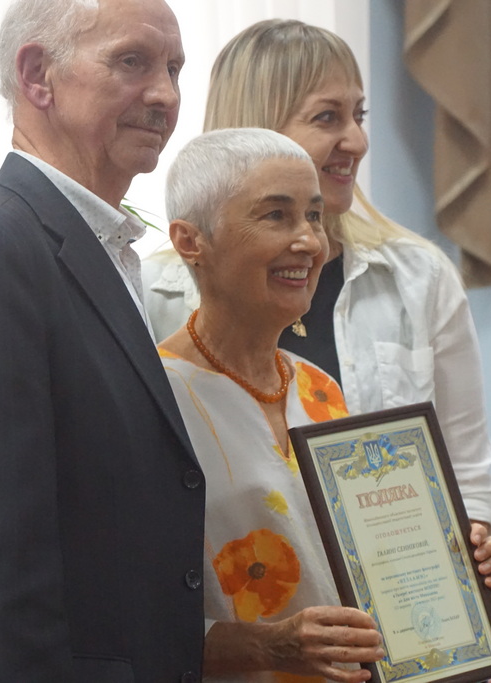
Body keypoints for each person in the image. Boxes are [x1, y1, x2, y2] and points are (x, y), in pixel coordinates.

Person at [0, 1, 206, 681]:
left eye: (174, 69)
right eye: (133, 62)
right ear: (37, 76)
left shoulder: (104, 251)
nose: (166, 95)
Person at [143, 18, 491, 590]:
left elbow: (465, 471)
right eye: (327, 118)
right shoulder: (152, 294)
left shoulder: (420, 278)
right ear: (258, 129)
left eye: (359, 116)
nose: (356, 141)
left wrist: (474, 539)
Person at [158, 127, 385, 682]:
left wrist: (452, 556)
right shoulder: (153, 399)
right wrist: (268, 647)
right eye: (276, 215)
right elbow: (124, 615)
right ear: (190, 241)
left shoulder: (319, 387)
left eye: (314, 216)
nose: (310, 242)